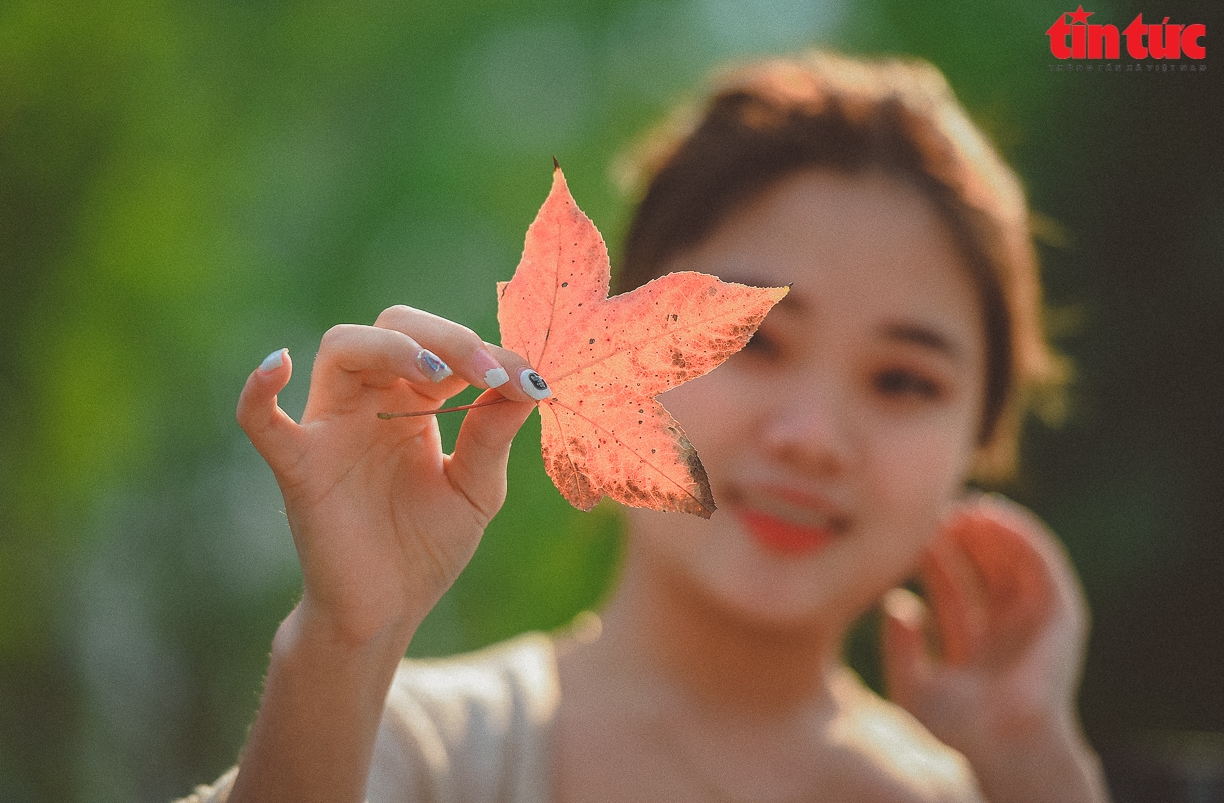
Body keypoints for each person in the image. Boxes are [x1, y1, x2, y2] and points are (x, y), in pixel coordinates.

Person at [178, 51, 1110, 803]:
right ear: (612, 325)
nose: (814, 437)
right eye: (755, 344)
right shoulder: (415, 751)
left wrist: (1037, 775)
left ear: (983, 439)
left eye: (904, 381)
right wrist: (347, 641)